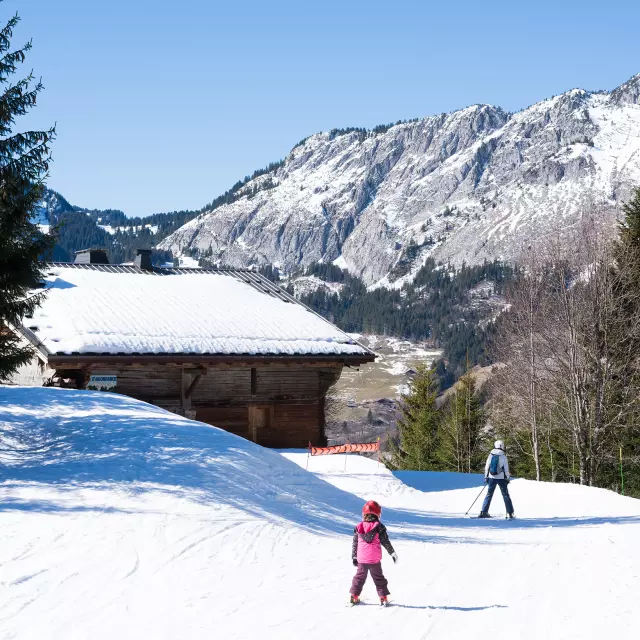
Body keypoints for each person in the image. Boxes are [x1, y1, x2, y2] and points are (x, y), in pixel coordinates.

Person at [349, 500, 398, 606]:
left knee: (359, 577)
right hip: (374, 560)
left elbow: (355, 543)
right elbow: (385, 541)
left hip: (362, 560)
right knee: (378, 578)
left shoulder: (358, 527)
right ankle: (383, 598)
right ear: (378, 514)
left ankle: (354, 596)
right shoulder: (379, 526)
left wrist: (354, 556)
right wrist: (392, 553)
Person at [479, 440, 515, 519]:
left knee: (489, 494)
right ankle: (510, 513)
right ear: (502, 446)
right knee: (505, 495)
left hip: (491, 477)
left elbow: (487, 467)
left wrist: (486, 477)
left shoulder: (490, 455)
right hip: (501, 478)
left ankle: (484, 512)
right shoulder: (503, 456)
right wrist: (508, 478)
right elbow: (506, 470)